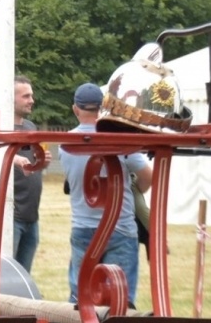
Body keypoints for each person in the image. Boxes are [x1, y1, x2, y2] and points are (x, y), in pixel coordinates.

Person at [58, 82, 150, 305]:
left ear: (75, 109)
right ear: (104, 108)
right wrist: (133, 184)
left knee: (81, 299)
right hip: (120, 228)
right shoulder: (122, 140)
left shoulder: (65, 143)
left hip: (82, 226)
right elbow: (148, 178)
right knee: (119, 301)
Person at [5, 75, 46, 271]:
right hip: (8, 216)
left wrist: (43, 162)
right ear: (10, 98)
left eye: (31, 95)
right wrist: (12, 158)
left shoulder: (30, 128)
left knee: (23, 277)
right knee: (4, 276)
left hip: (31, 217)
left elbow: (34, 164)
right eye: (26, 96)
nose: (32, 100)